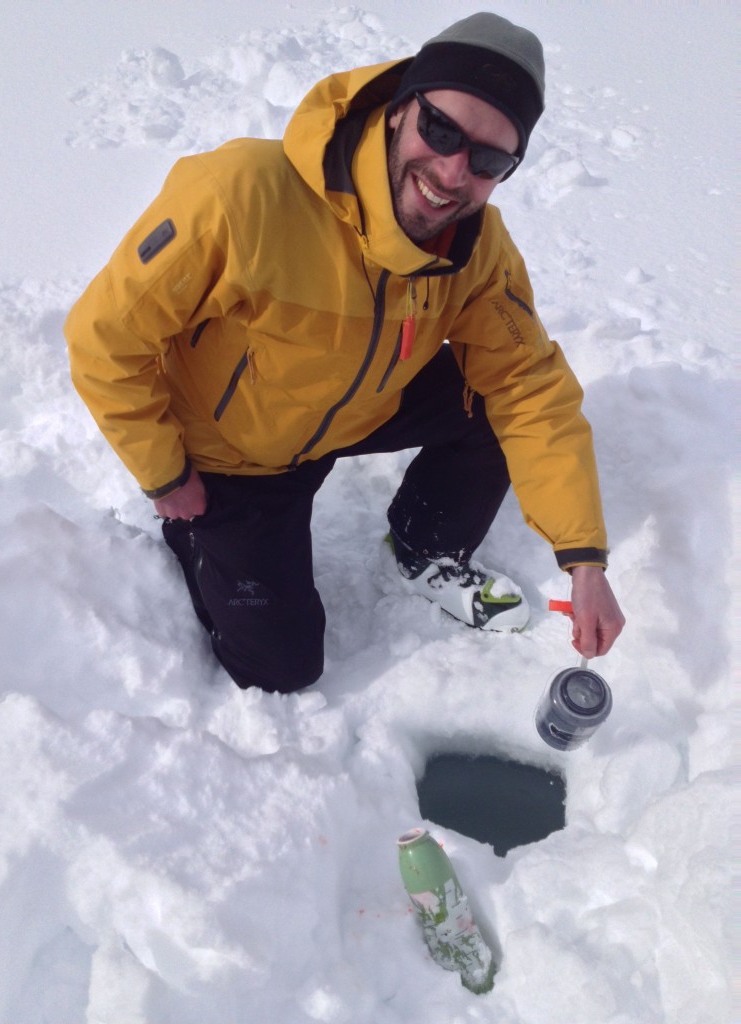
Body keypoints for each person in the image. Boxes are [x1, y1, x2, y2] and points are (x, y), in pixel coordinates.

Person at [65, 12, 625, 693]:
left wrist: (585, 562)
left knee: (495, 402)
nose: (452, 172)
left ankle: (426, 545)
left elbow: (529, 387)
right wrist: (165, 474)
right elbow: (105, 336)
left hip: (356, 407)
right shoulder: (243, 194)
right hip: (234, 459)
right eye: (441, 130)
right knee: (282, 670)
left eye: (487, 159)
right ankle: (196, 540)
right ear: (399, 109)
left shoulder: (478, 250)